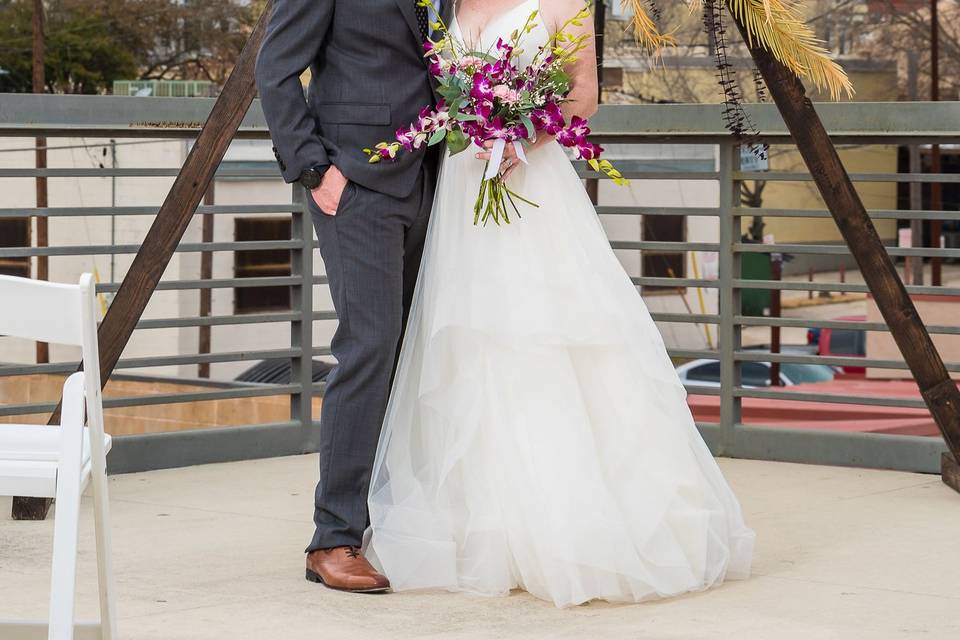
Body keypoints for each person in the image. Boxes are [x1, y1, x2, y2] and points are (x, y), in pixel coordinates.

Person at [365, 0, 756, 607]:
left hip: (531, 181)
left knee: (544, 332)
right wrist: (477, 126)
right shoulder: (449, 2)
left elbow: (583, 93)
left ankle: (568, 525)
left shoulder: (564, 2)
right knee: (472, 337)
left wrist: (519, 135)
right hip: (463, 181)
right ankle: (483, 520)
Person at [255, 0, 450, 593]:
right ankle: (332, 538)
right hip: (355, 182)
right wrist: (314, 169)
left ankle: (389, 520)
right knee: (368, 348)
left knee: (411, 352)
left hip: (435, 179)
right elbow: (275, 67)